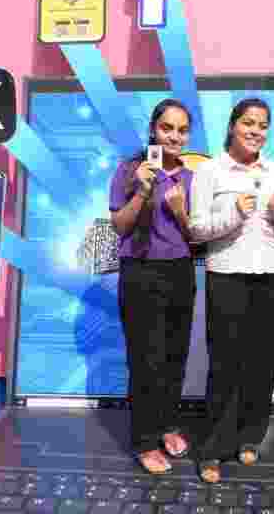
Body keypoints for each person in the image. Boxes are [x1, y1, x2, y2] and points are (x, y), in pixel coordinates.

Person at [189, 98, 274, 483]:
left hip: (272, 274)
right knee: (225, 364)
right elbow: (197, 230)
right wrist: (234, 210)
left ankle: (250, 436)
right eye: (248, 123)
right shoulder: (209, 171)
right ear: (233, 126)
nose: (255, 131)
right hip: (228, 275)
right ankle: (213, 448)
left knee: (262, 362)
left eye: (262, 125)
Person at [108, 99, 196, 475]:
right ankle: (144, 441)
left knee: (174, 356)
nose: (174, 136)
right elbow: (120, 227)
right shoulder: (130, 170)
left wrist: (180, 211)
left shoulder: (193, 178)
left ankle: (168, 424)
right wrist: (143, 190)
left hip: (180, 272)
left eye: (180, 130)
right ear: (153, 130)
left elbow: (198, 236)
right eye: (167, 128)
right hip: (140, 273)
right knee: (146, 360)